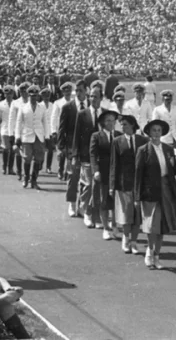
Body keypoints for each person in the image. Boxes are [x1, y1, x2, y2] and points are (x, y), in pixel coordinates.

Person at [134, 119, 176, 270]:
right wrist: (137, 197)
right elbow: (138, 175)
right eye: (153, 130)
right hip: (150, 192)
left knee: (163, 225)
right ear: (148, 133)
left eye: (159, 131)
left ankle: (157, 255)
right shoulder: (143, 150)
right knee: (151, 226)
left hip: (166, 190)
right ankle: (149, 251)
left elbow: (172, 172)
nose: (156, 134)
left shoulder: (168, 149)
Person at [110, 115, 148, 254]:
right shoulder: (117, 141)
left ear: (133, 125)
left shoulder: (143, 140)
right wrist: (112, 185)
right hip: (123, 184)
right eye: (121, 124)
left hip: (139, 184)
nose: (123, 127)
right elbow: (114, 164)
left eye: (125, 124)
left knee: (137, 216)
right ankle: (126, 239)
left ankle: (134, 242)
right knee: (126, 215)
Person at [73, 88, 102, 227]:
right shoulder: (82, 114)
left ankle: (95, 214)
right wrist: (75, 155)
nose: (93, 99)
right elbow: (76, 135)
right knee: (89, 185)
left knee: (98, 186)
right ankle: (87, 213)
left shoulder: (104, 113)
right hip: (85, 155)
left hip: (101, 156)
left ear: (101, 98)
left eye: (96, 96)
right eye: (91, 96)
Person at [90, 109, 121, 240]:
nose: (111, 123)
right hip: (103, 172)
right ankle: (106, 228)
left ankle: (114, 225)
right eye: (108, 120)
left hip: (117, 173)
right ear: (103, 122)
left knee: (115, 201)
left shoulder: (119, 135)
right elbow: (93, 154)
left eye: (113, 121)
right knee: (104, 200)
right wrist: (95, 170)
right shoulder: (96, 136)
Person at [14, 85, 50, 190]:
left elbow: (45, 123)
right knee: (27, 158)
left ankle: (34, 180)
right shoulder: (23, 107)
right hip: (26, 135)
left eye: (35, 96)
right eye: (31, 96)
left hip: (38, 136)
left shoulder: (42, 108)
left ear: (38, 96)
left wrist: (47, 137)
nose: (33, 98)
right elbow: (18, 123)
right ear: (28, 96)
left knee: (38, 159)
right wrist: (17, 137)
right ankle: (26, 179)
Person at [60, 81, 88, 216]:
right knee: (72, 178)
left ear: (86, 91)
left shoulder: (90, 106)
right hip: (71, 148)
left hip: (86, 148)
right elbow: (62, 129)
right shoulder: (68, 107)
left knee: (85, 178)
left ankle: (82, 205)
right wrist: (63, 148)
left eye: (81, 90)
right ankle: (71, 204)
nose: (78, 93)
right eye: (76, 90)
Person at [0, 87, 15, 175]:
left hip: (14, 129)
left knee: (13, 149)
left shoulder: (16, 104)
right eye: (6, 94)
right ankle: (4, 167)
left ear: (13, 94)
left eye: (10, 94)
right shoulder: (0, 104)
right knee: (6, 148)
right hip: (5, 129)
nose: (8, 96)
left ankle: (10, 168)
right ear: (4, 95)